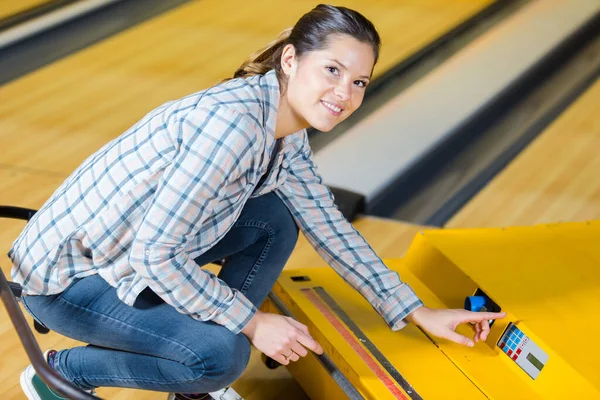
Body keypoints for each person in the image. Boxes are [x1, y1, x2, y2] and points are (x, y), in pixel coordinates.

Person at [10, 4, 505, 400]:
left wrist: (416, 311)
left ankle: (191, 384)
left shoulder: (285, 135)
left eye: (358, 82)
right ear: (290, 60)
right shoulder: (233, 126)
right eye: (332, 70)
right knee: (220, 356)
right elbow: (153, 254)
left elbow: (330, 228)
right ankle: (61, 374)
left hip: (122, 256)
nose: (344, 93)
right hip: (68, 281)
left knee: (275, 219)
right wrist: (251, 323)